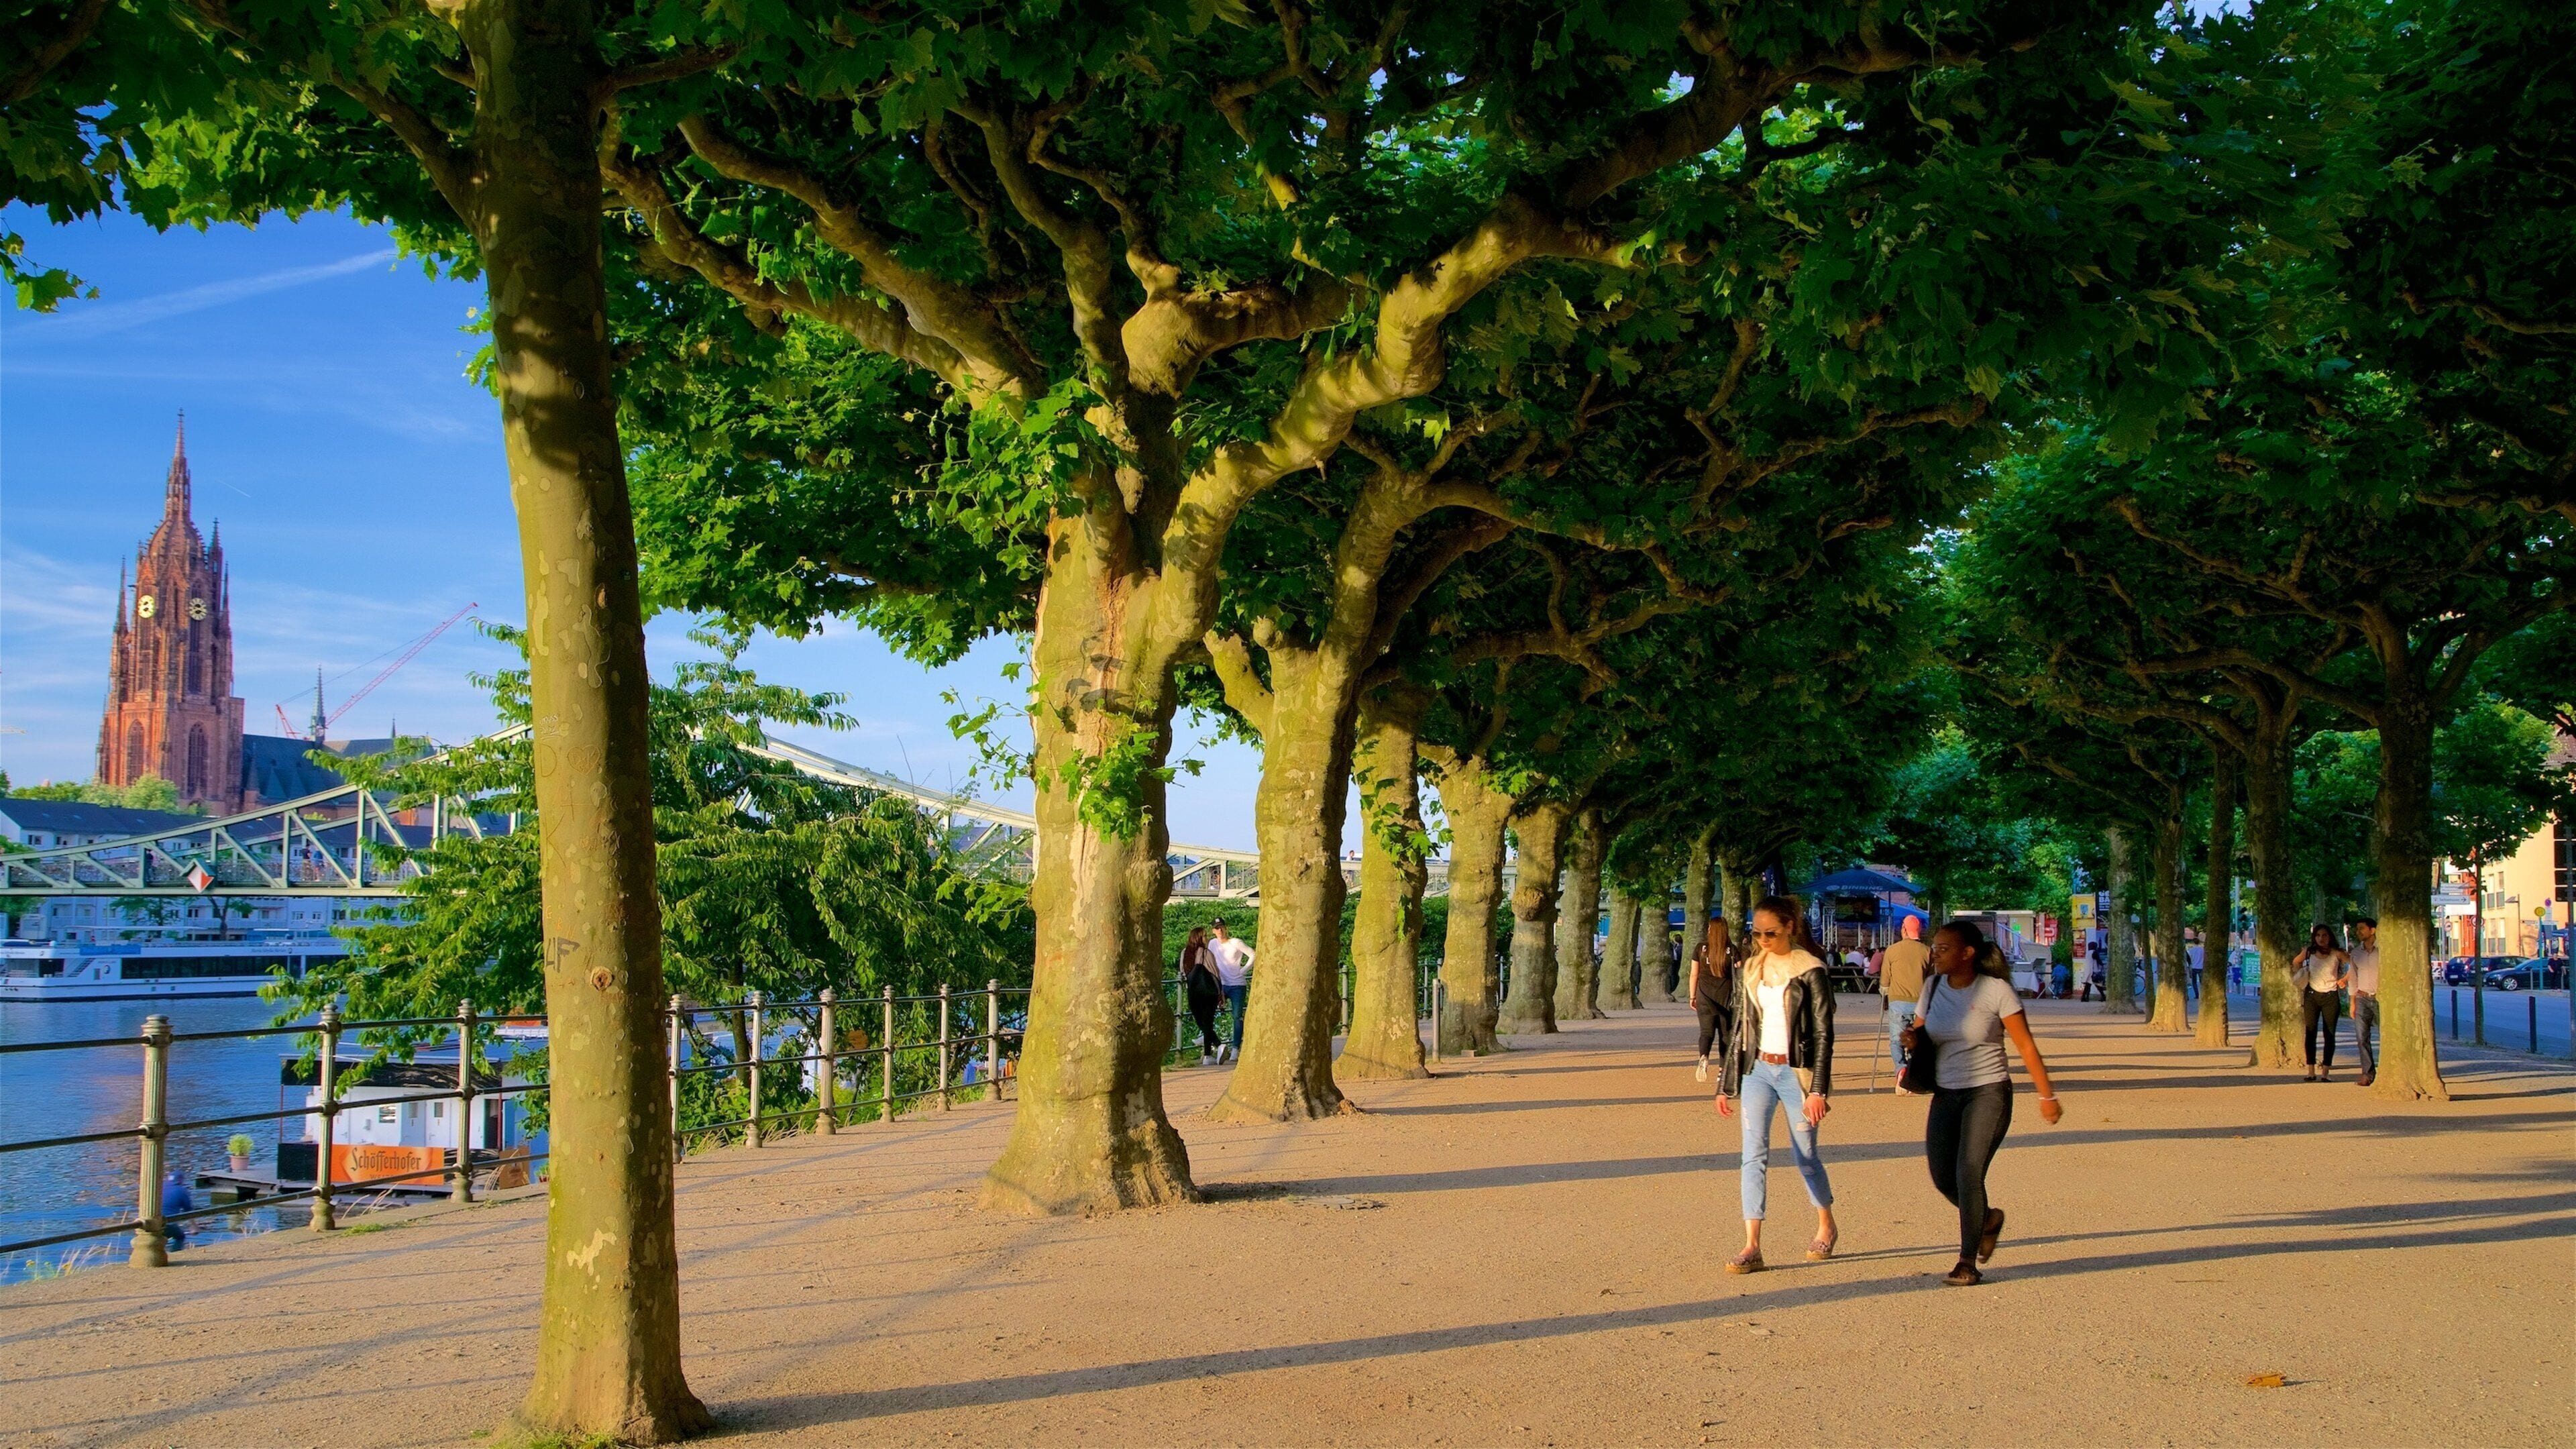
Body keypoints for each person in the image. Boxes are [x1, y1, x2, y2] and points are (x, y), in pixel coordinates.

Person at [1902, 920, 2062, 1286]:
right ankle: (1987, 1219)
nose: (1935, 955)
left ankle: (1966, 1262)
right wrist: (1913, 1039)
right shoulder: (1933, 987)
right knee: (1943, 1179)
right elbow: (1923, 1032)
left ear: (1967, 953)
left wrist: (2046, 1095)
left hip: (1988, 1091)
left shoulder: (1996, 991)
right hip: (1947, 1091)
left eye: (1944, 949)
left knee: (1968, 1172)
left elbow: (2025, 1045)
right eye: (1934, 948)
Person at [1715, 896, 1837, 1273]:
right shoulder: (1752, 968)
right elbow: (1738, 1027)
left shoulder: (1810, 969)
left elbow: (1823, 1033)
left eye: (1771, 932)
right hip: (1758, 1071)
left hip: (1795, 1074)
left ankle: (1826, 1225)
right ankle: (1752, 1245)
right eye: (1757, 932)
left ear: (1789, 927)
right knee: (1753, 1154)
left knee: (1805, 1155)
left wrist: (1818, 1090)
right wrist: (1725, 1082)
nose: (1763, 939)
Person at [2294, 924, 2349, 1081]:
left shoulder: (2337, 953)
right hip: (2311, 995)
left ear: (2330, 936)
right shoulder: (2310, 952)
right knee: (2310, 1032)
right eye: (2318, 936)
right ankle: (2311, 1070)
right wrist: (2300, 975)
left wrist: (2345, 979)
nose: (2321, 939)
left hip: (2331, 996)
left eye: (2324, 935)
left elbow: (2354, 964)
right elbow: (2296, 962)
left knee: (2329, 1034)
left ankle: (2326, 1072)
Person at [1879, 915, 1931, 1080]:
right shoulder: (1927, 951)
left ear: (1903, 929)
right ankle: (1915, 1069)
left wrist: (1885, 992)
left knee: (1896, 1040)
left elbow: (1884, 982)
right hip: (1921, 1004)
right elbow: (1931, 979)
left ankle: (1901, 1068)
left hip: (1898, 1002)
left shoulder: (1892, 950)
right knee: (1919, 1040)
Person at [1688, 920, 1737, 1083]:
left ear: (1711, 930)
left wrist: (1692, 996)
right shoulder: (1731, 950)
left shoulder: (1701, 949)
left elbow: (1694, 974)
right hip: (1726, 996)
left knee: (1706, 1032)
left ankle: (1704, 1056)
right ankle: (1722, 1071)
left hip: (1704, 995)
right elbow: (1742, 972)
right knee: (1726, 1035)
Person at [1208, 918, 1255, 1064]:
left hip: (1236, 985)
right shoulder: (1212, 944)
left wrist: (1243, 971)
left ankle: (1235, 1048)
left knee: (1236, 1016)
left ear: (1225, 928)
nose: (1220, 931)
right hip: (1221, 984)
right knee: (1209, 1012)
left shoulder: (1236, 942)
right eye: (1217, 928)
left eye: (1221, 927)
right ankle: (1207, 1043)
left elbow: (1253, 954)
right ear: (1213, 931)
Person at [1179, 926, 1224, 1066]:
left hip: (1193, 992)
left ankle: (1209, 1054)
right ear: (1199, 938)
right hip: (1208, 993)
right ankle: (1216, 1048)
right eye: (1204, 936)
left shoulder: (1185, 953)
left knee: (1202, 1022)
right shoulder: (1205, 953)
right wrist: (1220, 993)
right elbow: (1215, 973)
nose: (1207, 938)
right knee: (1208, 1021)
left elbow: (1182, 971)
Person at [2346, 918, 2381, 1087]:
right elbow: (2353, 977)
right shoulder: (2356, 953)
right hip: (2362, 997)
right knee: (2362, 1038)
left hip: (2381, 998)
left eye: (2362, 929)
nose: (2358, 932)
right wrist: (2352, 1002)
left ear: (2372, 931)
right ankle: (2367, 1074)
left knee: (2385, 1036)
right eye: (2357, 929)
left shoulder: (2383, 951)